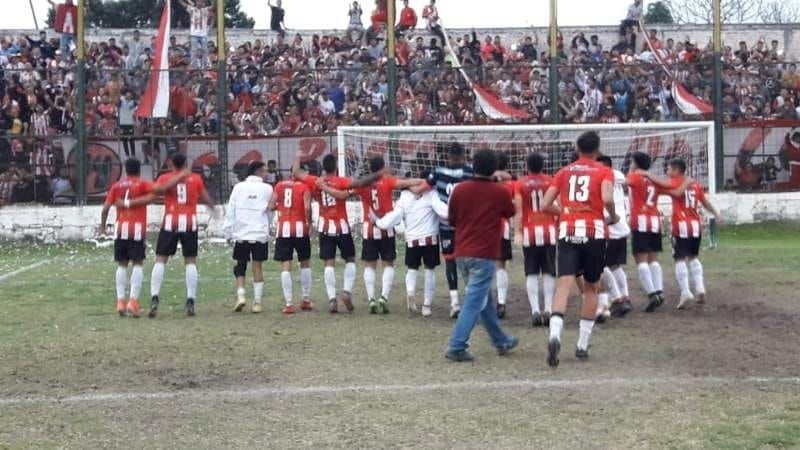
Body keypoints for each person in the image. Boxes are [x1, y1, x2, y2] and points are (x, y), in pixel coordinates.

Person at [540, 132, 617, 367]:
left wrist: (564, 213)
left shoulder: (564, 172)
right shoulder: (604, 171)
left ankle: (555, 334)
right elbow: (606, 198)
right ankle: (582, 345)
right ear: (598, 150)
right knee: (592, 288)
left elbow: (544, 204)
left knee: (564, 284)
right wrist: (613, 215)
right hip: (594, 232)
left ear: (576, 148)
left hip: (568, 231)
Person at [444, 149, 518, 363]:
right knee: (475, 301)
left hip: (462, 252)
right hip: (484, 253)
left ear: (473, 166)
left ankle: (501, 340)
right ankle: (457, 345)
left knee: (483, 299)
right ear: (494, 168)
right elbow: (510, 212)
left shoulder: (459, 189)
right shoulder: (500, 192)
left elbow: (452, 220)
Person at [292, 152, 382, 313]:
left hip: (325, 227)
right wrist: (377, 174)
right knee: (350, 259)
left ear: (323, 167)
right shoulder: (342, 181)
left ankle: (332, 298)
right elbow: (360, 183)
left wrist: (298, 156)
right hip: (342, 227)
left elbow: (296, 173)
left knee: (329, 262)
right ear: (336, 167)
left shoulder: (316, 181)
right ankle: (346, 291)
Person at [643, 158, 721, 309]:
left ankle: (685, 291)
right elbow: (705, 202)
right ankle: (700, 287)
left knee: (679, 258)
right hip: (696, 226)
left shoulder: (675, 182)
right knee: (693, 257)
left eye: (669, 169)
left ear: (677, 170)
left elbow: (662, 186)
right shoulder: (695, 184)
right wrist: (716, 214)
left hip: (680, 225)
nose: (667, 172)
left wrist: (646, 174)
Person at [148, 153, 218, 318]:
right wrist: (213, 208)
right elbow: (206, 198)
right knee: (190, 261)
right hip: (189, 222)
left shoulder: (165, 177)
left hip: (170, 221)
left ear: (171, 163)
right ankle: (190, 300)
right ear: (186, 163)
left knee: (161, 259)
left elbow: (157, 191)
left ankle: (154, 297)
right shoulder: (195, 178)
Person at [354, 156, 424, 314]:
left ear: (370, 168)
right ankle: (384, 298)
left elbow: (348, 190)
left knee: (369, 265)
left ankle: (371, 299)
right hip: (387, 227)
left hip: (369, 229)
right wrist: (423, 180)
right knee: (388, 263)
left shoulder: (363, 184)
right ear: (382, 167)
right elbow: (406, 183)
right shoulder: (388, 181)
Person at [374, 174, 448, 317]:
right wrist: (456, 211)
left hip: (412, 240)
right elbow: (443, 212)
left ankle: (410, 292)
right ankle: (426, 305)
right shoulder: (431, 193)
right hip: (430, 238)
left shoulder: (404, 196)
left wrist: (379, 223)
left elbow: (395, 216)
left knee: (412, 269)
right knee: (429, 271)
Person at [99, 159, 154, 317]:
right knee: (138, 263)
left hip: (120, 228)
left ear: (125, 170)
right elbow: (153, 197)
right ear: (139, 170)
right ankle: (133, 302)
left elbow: (105, 208)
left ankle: (120, 302)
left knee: (122, 264)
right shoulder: (143, 184)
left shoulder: (116, 186)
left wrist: (103, 226)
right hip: (137, 229)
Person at [424, 143, 473, 319]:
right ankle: (471, 301)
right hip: (466, 225)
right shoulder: (470, 172)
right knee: (468, 260)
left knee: (450, 261)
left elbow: (423, 187)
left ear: (448, 156)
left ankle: (454, 303)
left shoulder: (438, 172)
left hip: (446, 226)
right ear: (463, 155)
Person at [223, 161, 273, 314]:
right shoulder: (267, 188)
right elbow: (270, 211)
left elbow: (231, 210)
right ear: (258, 171)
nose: (267, 174)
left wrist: (228, 231)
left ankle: (241, 295)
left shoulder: (239, 187)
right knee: (257, 267)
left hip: (242, 233)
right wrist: (267, 225)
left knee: (240, 265)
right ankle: (257, 302)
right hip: (259, 233)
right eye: (265, 171)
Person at [513, 152, 557, 327]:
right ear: (543, 165)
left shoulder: (520, 183)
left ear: (527, 165)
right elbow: (557, 206)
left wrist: (517, 232)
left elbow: (518, 211)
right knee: (549, 271)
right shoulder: (551, 181)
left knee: (531, 272)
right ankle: (548, 309)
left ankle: (535, 310)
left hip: (529, 232)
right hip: (549, 231)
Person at [626, 151, 666, 313]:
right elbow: (666, 186)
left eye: (632, 161)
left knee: (641, 260)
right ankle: (659, 291)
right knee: (653, 260)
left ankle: (652, 294)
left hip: (640, 221)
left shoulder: (634, 177)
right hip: (655, 221)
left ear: (636, 163)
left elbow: (622, 182)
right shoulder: (654, 180)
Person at [270, 172, 313, 314]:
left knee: (286, 265)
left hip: (283, 229)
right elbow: (307, 208)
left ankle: (289, 303)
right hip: (300, 228)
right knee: (305, 262)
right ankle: (306, 299)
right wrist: (309, 222)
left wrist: (281, 207)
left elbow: (271, 205)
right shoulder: (305, 187)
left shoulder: (279, 185)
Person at [595, 155, 631, 322]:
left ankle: (617, 299)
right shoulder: (619, 175)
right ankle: (625, 297)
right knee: (614, 265)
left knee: (602, 266)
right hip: (621, 226)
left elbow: (606, 199)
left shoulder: (603, 177)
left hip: (609, 225)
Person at [494, 152, 515, 319]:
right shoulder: (511, 184)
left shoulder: (484, 183)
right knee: (500, 265)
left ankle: (481, 301)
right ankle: (501, 302)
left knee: (482, 265)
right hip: (503, 227)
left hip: (484, 227)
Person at [179, 0, 212, 65]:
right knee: (194, 50)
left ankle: (205, 65)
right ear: (196, 2)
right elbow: (184, 5)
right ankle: (194, 65)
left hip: (203, 34)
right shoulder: (192, 9)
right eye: (198, 1)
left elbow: (213, 7)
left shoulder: (205, 10)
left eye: (201, 1)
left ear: (203, 3)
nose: (199, 2)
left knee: (205, 50)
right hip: (194, 34)